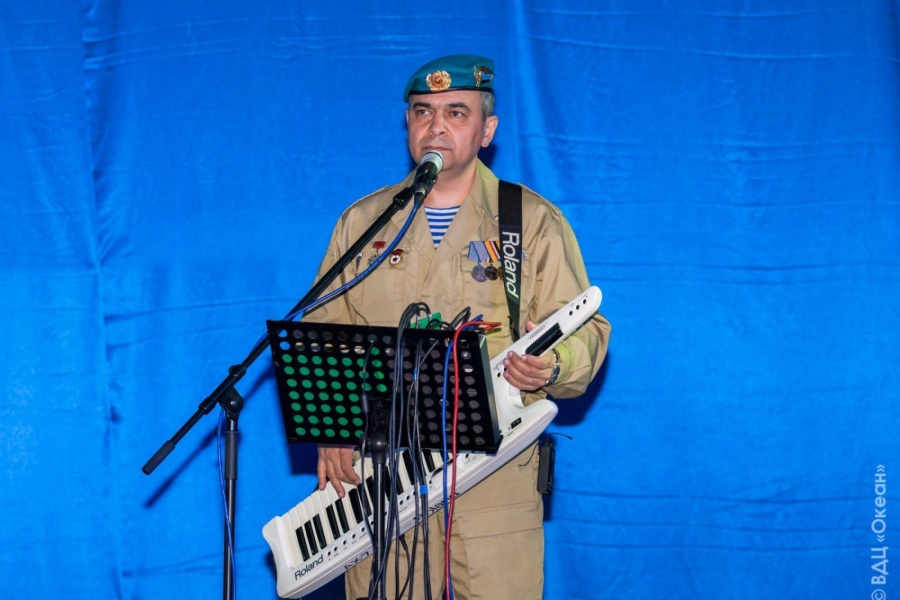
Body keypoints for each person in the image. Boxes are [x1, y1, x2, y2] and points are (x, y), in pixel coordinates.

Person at [305, 54, 611, 600]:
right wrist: (331, 430)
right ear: (408, 122)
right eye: (423, 112)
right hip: (383, 474)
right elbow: (324, 331)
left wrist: (553, 364)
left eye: (456, 112)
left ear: (487, 130)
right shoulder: (365, 222)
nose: (436, 126)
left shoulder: (528, 221)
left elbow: (587, 329)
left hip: (493, 473)